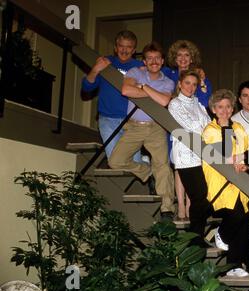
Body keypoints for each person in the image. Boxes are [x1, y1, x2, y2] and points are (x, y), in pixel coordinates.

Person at [108, 41, 175, 219]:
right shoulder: (134, 72)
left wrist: (143, 87)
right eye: (149, 58)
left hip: (156, 127)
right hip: (134, 126)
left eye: (157, 58)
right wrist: (151, 93)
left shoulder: (168, 82)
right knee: (115, 161)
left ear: (162, 61)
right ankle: (146, 172)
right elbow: (125, 89)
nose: (153, 61)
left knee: (163, 166)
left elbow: (164, 101)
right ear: (144, 61)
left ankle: (167, 207)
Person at [202, 89, 249, 277]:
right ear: (213, 109)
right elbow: (221, 156)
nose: (224, 110)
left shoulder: (238, 127)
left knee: (245, 218)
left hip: (239, 182)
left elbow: (247, 152)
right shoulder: (210, 130)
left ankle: (234, 265)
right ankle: (219, 233)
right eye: (220, 107)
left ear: (232, 109)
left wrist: (243, 160)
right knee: (235, 215)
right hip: (220, 182)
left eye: (228, 107)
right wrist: (239, 158)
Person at [162, 40, 213, 220]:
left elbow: (206, 108)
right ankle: (181, 207)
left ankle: (191, 207)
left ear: (192, 58)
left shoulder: (200, 79)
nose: (183, 58)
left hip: (198, 138)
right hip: (179, 131)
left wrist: (204, 84)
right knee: (179, 169)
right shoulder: (168, 74)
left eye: (187, 55)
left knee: (196, 175)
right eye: (179, 55)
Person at [81, 30, 143, 162]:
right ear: (115, 48)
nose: (124, 50)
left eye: (129, 47)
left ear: (134, 50)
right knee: (115, 161)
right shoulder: (105, 63)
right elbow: (87, 87)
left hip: (132, 122)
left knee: (135, 162)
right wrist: (96, 69)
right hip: (107, 120)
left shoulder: (140, 67)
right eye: (121, 46)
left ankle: (144, 163)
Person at [168, 70, 212, 247]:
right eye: (187, 83)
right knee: (199, 196)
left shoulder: (198, 104)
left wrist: (203, 129)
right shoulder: (174, 104)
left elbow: (208, 125)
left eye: (194, 84)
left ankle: (196, 237)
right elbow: (188, 128)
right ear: (179, 84)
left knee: (203, 197)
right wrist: (202, 128)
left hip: (202, 155)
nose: (191, 87)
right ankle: (195, 238)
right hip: (185, 156)